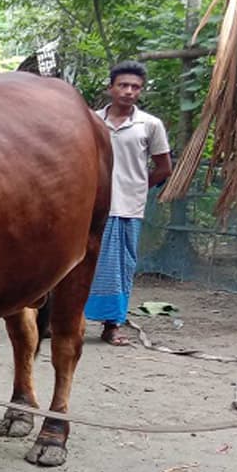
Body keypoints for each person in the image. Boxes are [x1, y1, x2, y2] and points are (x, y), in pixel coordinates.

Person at [84, 61, 171, 347]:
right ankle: (64, 321)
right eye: (123, 85)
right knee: (78, 263)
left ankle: (112, 325)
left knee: (119, 268)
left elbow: (164, 168)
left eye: (135, 87)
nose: (129, 91)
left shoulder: (150, 125)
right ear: (111, 88)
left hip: (126, 209)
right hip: (89, 206)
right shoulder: (91, 120)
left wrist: (137, 188)